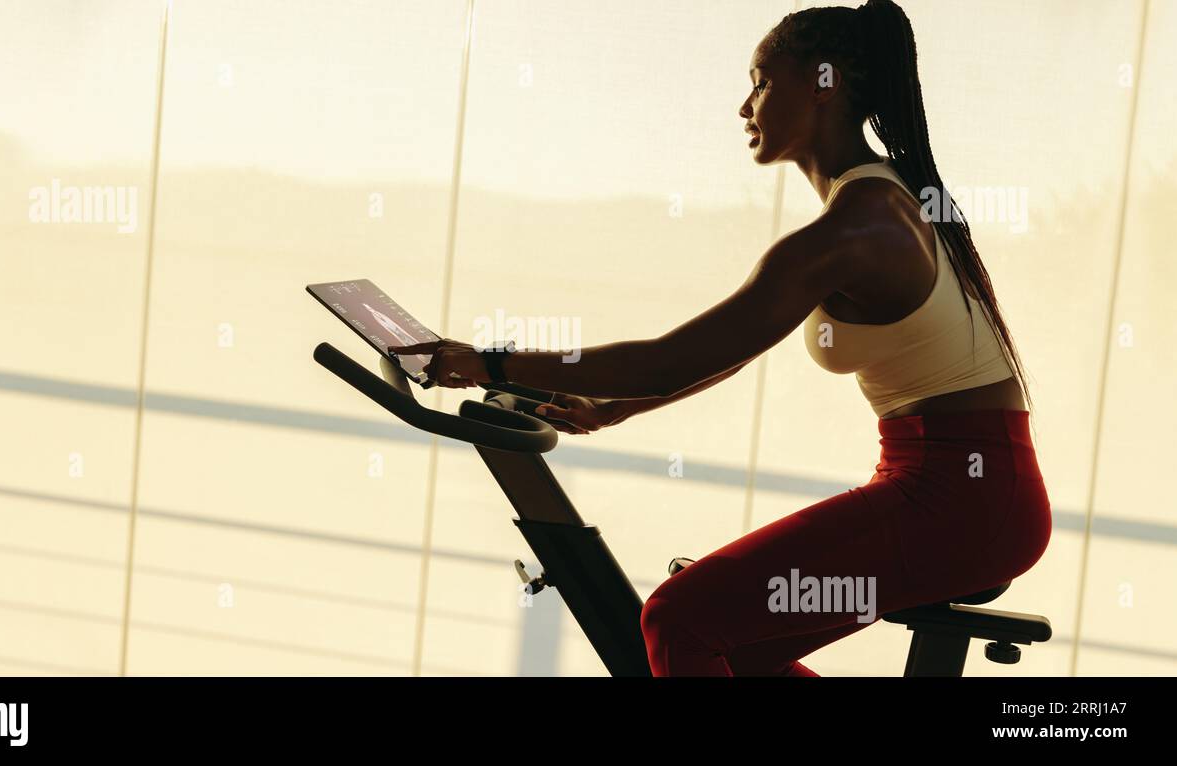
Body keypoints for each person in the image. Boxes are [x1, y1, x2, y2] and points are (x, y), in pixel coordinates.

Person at [389, 0, 1051, 677]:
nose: (745, 106)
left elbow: (664, 360)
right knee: (723, 644)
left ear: (825, 83)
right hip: (958, 489)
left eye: (761, 80)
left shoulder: (856, 227)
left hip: (962, 501)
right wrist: (623, 408)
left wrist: (484, 363)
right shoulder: (875, 203)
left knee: (679, 618)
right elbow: (731, 350)